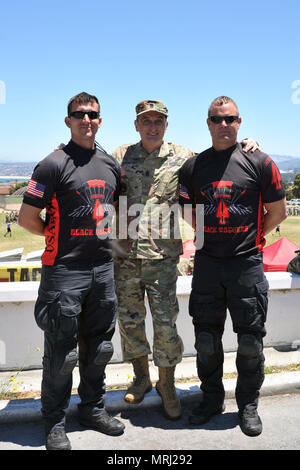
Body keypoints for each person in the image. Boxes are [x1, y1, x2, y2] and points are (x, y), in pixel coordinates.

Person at [112, 99, 260, 420]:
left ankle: (167, 384)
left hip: (163, 256)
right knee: (130, 322)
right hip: (124, 256)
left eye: (158, 121)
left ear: (167, 125)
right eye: (146, 121)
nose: (152, 126)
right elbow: (91, 169)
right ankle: (140, 377)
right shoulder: (119, 157)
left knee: (166, 324)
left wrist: (250, 144)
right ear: (136, 125)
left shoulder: (183, 157)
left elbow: (221, 156)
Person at [18, 92, 125, 450]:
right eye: (79, 114)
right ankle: (55, 421)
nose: (86, 119)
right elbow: (27, 218)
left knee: (100, 349)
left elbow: (117, 213)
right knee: (62, 354)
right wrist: (56, 238)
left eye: (93, 114)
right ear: (68, 121)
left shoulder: (111, 165)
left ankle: (93, 410)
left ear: (100, 119)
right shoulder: (51, 164)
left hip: (102, 269)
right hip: (64, 272)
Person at [179, 96, 287, 436]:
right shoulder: (194, 167)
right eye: (216, 119)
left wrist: (253, 237)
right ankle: (211, 400)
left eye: (230, 119)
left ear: (239, 122)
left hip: (247, 266)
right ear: (207, 123)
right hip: (208, 265)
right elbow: (185, 210)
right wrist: (206, 234)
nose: (223, 125)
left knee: (251, 343)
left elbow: (278, 212)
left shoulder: (260, 161)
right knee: (206, 341)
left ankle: (248, 406)